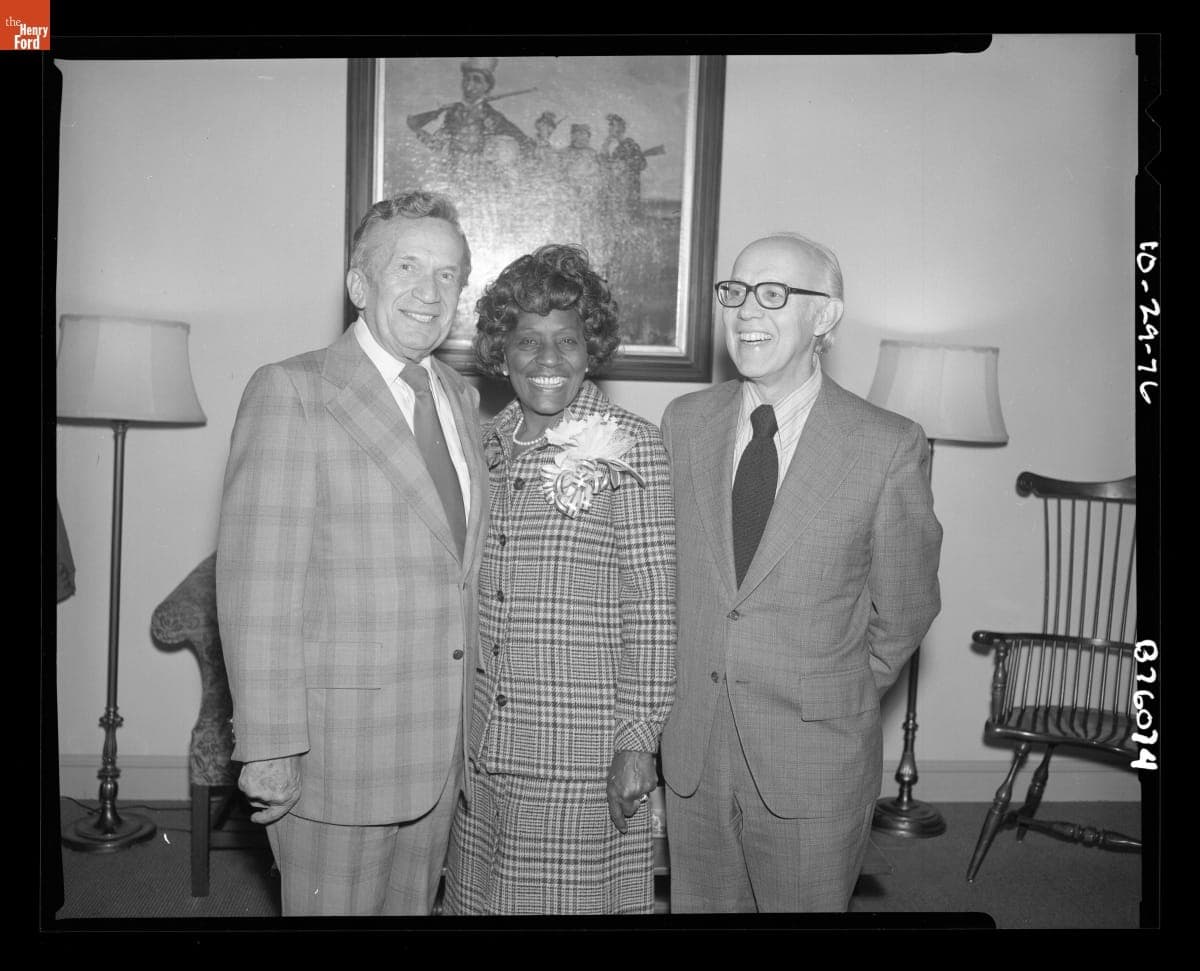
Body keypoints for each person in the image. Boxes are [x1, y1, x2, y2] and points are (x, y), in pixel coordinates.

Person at [215, 190, 488, 916]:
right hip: (336, 754)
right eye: (408, 267)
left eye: (448, 274)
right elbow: (258, 585)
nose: (430, 292)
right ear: (360, 284)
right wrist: (268, 744)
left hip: (439, 748)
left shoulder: (461, 397)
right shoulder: (294, 391)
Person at [659, 232, 943, 912]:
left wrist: (827, 690)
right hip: (694, 745)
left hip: (812, 754)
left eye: (774, 294)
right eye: (736, 292)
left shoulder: (886, 443)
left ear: (825, 317)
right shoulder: (684, 422)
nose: (747, 312)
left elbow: (903, 612)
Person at [444, 243, 676, 915]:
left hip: (579, 754)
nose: (548, 359)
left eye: (566, 340)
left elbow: (654, 606)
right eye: (528, 340)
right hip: (485, 746)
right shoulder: (483, 445)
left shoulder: (631, 445)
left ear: (590, 347)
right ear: (502, 351)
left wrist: (638, 743)